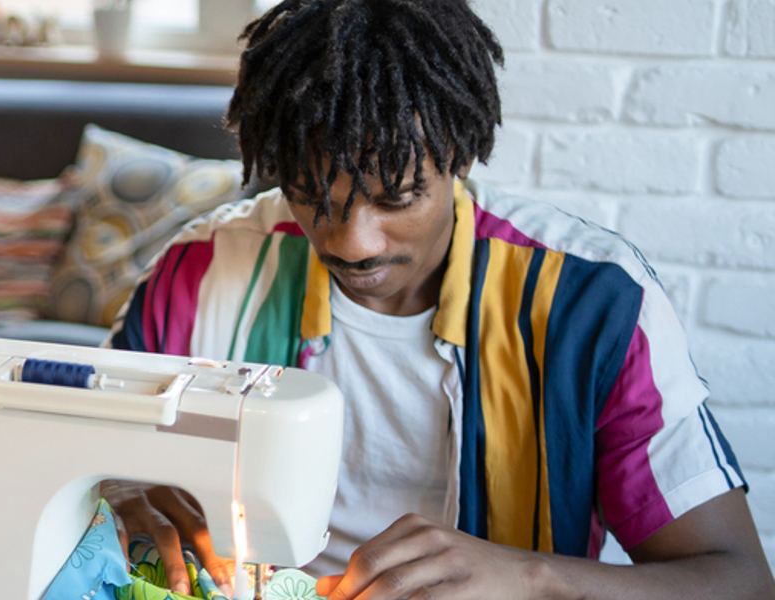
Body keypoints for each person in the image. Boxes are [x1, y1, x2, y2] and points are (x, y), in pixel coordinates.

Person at [100, 0, 775, 598]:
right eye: (313, 197)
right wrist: (112, 491)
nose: (352, 241)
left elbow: (738, 579)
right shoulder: (199, 273)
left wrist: (531, 577)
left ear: (460, 155)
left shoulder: (591, 304)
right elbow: (86, 461)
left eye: (396, 198)